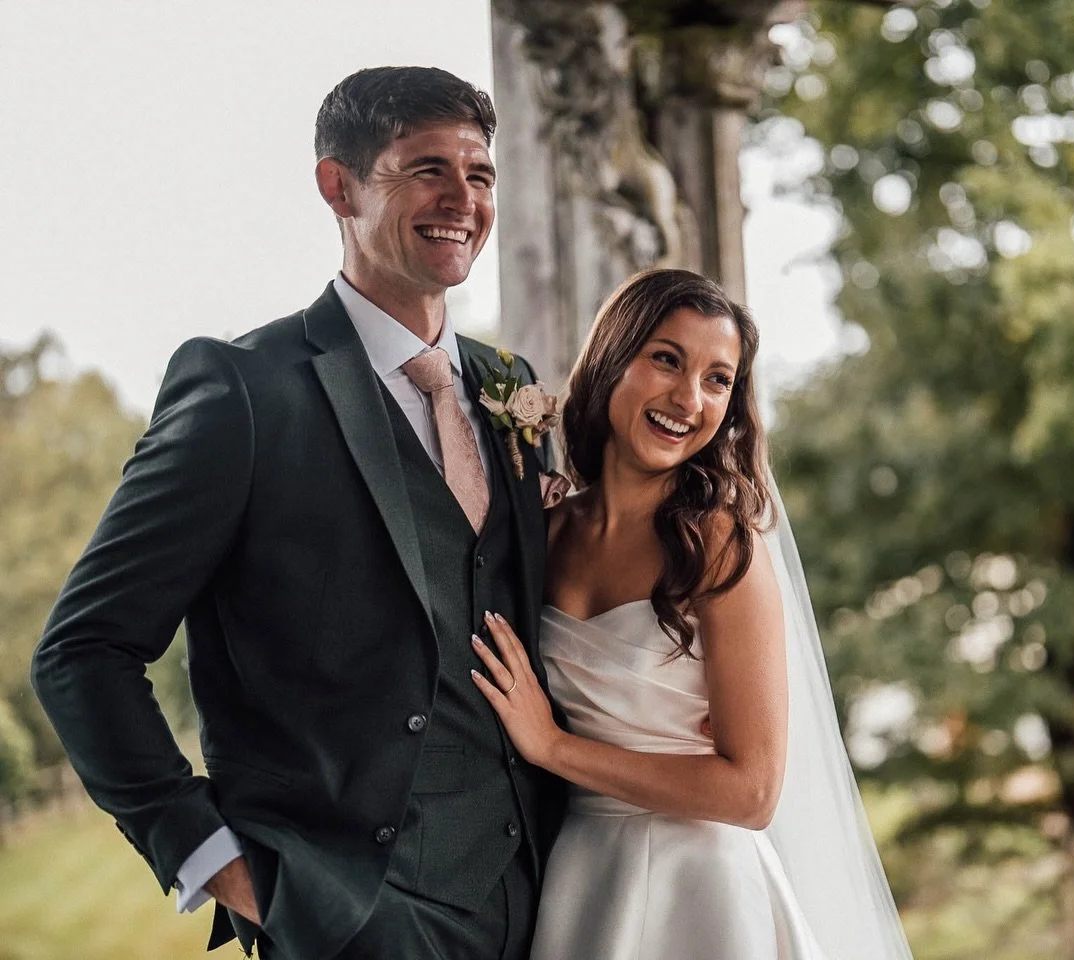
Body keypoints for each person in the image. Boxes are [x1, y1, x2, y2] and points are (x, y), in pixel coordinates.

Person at [30, 66, 565, 960]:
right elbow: (82, 652)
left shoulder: (511, 391)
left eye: (479, 175)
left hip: (542, 902)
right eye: (425, 170)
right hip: (345, 914)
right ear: (338, 185)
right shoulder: (242, 392)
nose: (461, 200)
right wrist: (218, 862)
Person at [473, 268, 913, 959]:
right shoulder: (546, 532)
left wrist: (554, 748)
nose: (688, 399)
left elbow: (753, 791)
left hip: (700, 888)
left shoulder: (717, 544)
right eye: (667, 360)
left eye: (718, 379)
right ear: (613, 358)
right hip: (581, 875)